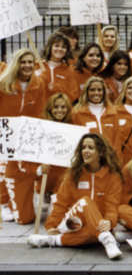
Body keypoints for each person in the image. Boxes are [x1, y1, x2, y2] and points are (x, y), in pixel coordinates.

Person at [28, 133, 123, 260]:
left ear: (100, 152)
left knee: (92, 235)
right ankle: (108, 240)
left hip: (97, 224)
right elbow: (61, 202)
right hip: (74, 221)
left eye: (90, 148)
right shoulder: (74, 174)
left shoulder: (112, 176)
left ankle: (52, 241)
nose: (85, 151)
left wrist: (109, 221)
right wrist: (51, 226)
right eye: (83, 147)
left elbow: (112, 205)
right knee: (85, 202)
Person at [0, 49, 48, 224]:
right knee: (4, 167)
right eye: (23, 62)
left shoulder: (38, 83)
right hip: (6, 130)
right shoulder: (4, 82)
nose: (27, 65)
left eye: (30, 62)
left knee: (19, 167)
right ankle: (3, 203)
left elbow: (41, 109)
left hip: (27, 131)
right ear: (16, 64)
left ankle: (17, 202)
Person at [71, 77, 122, 162]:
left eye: (99, 90)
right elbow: (75, 140)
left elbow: (117, 141)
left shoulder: (113, 112)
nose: (96, 93)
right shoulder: (77, 113)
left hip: (109, 160)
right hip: (87, 160)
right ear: (86, 92)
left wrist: (116, 161)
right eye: (92, 90)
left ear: (104, 92)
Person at [36, 32, 79, 103]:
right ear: (50, 47)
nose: (60, 49)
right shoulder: (37, 66)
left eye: (63, 47)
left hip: (60, 111)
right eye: (56, 45)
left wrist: (56, 88)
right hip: (39, 111)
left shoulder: (71, 70)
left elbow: (73, 95)